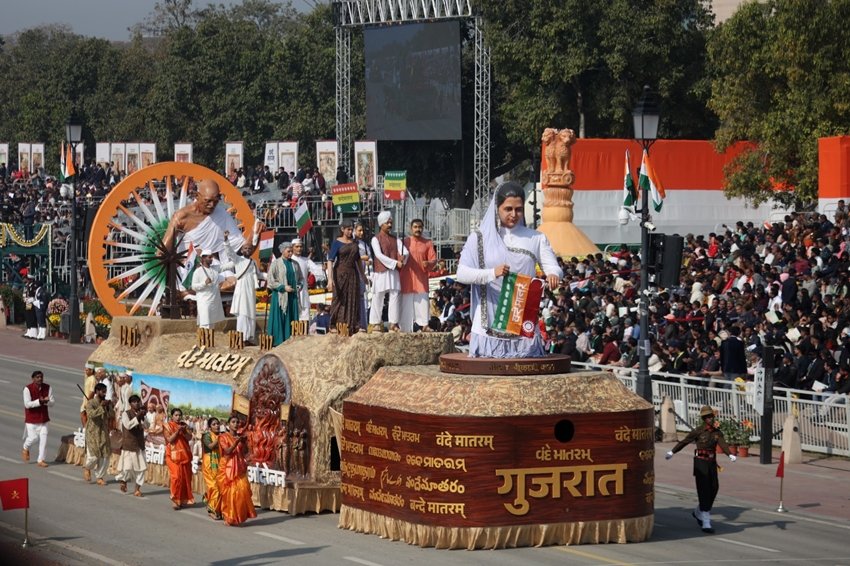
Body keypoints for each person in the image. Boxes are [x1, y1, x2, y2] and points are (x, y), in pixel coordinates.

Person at [456, 181, 562, 358]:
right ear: (497, 208)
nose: (514, 214)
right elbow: (461, 273)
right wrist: (492, 273)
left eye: (518, 209)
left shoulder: (536, 238)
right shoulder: (479, 238)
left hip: (523, 318)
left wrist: (554, 274)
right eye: (508, 209)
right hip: (488, 321)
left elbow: (552, 266)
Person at [665, 405, 736, 533]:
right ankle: (706, 521)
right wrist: (672, 452)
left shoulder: (717, 432)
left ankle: (699, 511)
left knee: (714, 488)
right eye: (707, 417)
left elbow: (723, 444)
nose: (710, 418)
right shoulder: (698, 431)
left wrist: (729, 454)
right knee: (703, 489)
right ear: (704, 418)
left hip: (711, 463)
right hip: (700, 463)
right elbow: (685, 442)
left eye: (711, 416)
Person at [369, 211, 409, 332]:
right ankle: (375, 323)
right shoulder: (375, 239)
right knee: (378, 296)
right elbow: (379, 255)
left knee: (395, 295)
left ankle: (393, 323)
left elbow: (405, 251)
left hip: (393, 271)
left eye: (391, 222)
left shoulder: (395, 239)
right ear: (381, 224)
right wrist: (395, 263)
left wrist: (403, 257)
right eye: (387, 223)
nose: (390, 225)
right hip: (381, 271)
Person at [221, 229, 260, 343]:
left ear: (252, 250)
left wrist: (270, 276)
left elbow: (259, 274)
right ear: (242, 251)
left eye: (249, 248)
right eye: (245, 248)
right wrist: (226, 240)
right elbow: (230, 252)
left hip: (250, 289)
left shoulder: (253, 262)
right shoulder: (238, 260)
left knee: (251, 313)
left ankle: (250, 338)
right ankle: (242, 338)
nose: (247, 250)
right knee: (243, 313)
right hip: (241, 288)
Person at [217, 415, 256, 526]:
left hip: (239, 467)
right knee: (230, 492)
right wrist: (236, 442)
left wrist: (244, 443)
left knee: (243, 491)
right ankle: (228, 515)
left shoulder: (239, 437)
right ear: (228, 424)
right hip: (227, 467)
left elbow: (244, 452)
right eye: (233, 422)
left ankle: (238, 515)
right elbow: (227, 451)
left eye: (237, 422)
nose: (235, 424)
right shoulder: (223, 437)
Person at [327, 219, 364, 335]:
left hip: (353, 274)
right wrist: (330, 279)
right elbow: (330, 260)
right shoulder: (337, 242)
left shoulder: (354, 243)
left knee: (353, 299)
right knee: (338, 299)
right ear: (342, 229)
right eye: (348, 229)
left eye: (351, 229)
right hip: (340, 273)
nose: (350, 232)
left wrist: (363, 275)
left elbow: (358, 260)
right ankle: (333, 324)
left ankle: (352, 325)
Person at [400, 218, 438, 332]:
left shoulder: (428, 243)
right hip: (406, 278)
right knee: (405, 305)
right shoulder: (404, 242)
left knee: (423, 302)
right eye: (415, 227)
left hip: (421, 278)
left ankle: (424, 325)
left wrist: (428, 263)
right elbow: (398, 257)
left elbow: (433, 259)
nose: (418, 229)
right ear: (411, 228)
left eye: (420, 227)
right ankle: (405, 329)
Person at [267, 241, 302, 345]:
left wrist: (299, 286)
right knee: (281, 317)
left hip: (293, 296)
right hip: (280, 296)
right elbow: (270, 280)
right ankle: (279, 340)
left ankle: (291, 340)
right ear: (282, 251)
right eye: (288, 251)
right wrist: (283, 287)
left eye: (291, 251)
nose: (290, 253)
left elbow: (301, 278)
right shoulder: (276, 263)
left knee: (292, 317)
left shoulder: (295, 264)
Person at [116, 394, 147, 497]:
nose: (136, 403)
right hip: (129, 445)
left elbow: (147, 426)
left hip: (139, 445)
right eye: (134, 402)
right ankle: (123, 481)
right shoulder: (126, 414)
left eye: (138, 402)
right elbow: (128, 425)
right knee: (127, 467)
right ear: (130, 404)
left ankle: (137, 489)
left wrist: (143, 416)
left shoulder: (141, 413)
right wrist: (138, 417)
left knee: (142, 469)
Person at [83, 382, 114, 485]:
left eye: (105, 392)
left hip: (103, 432)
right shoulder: (91, 403)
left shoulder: (106, 403)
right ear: (97, 391)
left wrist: (109, 407)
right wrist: (101, 406)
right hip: (92, 432)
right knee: (94, 456)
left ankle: (100, 477)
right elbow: (91, 415)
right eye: (102, 391)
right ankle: (87, 468)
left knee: (105, 456)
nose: (104, 393)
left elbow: (111, 415)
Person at [22, 370, 55, 468]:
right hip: (31, 419)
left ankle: (41, 460)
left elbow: (52, 403)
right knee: (33, 438)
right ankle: (25, 447)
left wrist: (47, 401)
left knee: (44, 439)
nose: (40, 379)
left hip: (44, 418)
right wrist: (39, 402)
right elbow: (27, 404)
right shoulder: (27, 389)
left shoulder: (48, 387)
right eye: (37, 377)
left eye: (41, 377)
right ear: (33, 379)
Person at [165, 408, 194, 510]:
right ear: (172, 416)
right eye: (176, 415)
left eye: (179, 415)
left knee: (185, 478)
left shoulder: (184, 425)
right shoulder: (167, 425)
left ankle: (181, 499)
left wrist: (184, 431)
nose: (178, 417)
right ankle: (175, 499)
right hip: (172, 456)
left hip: (184, 455)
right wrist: (177, 431)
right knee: (176, 477)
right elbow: (170, 440)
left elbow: (189, 438)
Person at [191, 251, 226, 329]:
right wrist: (204, 283)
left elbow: (228, 266)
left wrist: (238, 259)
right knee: (205, 323)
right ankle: (204, 337)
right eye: (209, 257)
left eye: (212, 257)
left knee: (211, 324)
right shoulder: (198, 271)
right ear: (203, 258)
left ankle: (209, 337)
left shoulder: (215, 269)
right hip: (204, 301)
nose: (212, 259)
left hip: (214, 301)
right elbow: (193, 287)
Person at [201, 417, 222, 520]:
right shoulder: (207, 435)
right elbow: (210, 446)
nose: (217, 426)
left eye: (217, 424)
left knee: (220, 487)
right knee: (214, 487)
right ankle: (211, 509)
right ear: (210, 427)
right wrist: (219, 439)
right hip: (209, 465)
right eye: (214, 424)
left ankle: (217, 509)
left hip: (219, 463)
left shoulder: (222, 435)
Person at [354, 222, 372, 329]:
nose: (361, 233)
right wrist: (361, 258)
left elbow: (370, 258)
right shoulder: (351, 243)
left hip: (363, 274)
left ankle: (363, 323)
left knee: (363, 299)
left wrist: (368, 261)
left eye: (362, 231)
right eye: (359, 230)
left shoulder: (363, 244)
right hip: (353, 273)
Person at [718, 325, 747, 389]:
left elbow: (722, 357)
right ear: (738, 333)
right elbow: (742, 357)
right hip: (736, 368)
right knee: (734, 385)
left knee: (727, 384)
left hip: (726, 367)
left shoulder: (724, 342)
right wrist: (744, 370)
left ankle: (725, 395)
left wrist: (722, 367)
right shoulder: (739, 343)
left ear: (730, 332)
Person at [291, 238, 311, 321]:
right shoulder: (289, 260)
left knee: (305, 317)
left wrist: (323, 269)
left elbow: (317, 270)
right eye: (297, 246)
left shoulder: (306, 260)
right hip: (292, 292)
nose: (299, 248)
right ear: (292, 247)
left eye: (300, 246)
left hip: (304, 292)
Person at [80, 362, 97, 427]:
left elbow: (92, 391)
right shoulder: (88, 377)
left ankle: (86, 429)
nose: (85, 371)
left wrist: (88, 402)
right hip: (85, 400)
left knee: (84, 415)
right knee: (83, 414)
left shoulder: (93, 379)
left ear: (91, 371)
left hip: (88, 401)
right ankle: (85, 429)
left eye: (87, 370)